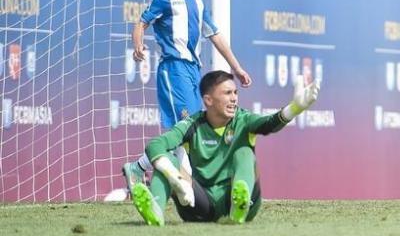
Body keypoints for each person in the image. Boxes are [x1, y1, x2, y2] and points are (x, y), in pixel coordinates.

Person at [122, 0, 253, 193]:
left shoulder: (199, 2)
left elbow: (215, 36)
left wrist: (236, 68)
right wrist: (138, 45)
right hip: (174, 70)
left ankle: (141, 169)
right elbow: (141, 23)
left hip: (194, 71)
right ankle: (186, 187)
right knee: (188, 129)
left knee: (193, 130)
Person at [130, 71, 321, 226]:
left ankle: (240, 203)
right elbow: (157, 144)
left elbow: (269, 123)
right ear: (208, 100)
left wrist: (294, 108)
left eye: (235, 93)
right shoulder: (192, 124)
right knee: (167, 161)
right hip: (200, 206)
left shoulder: (243, 119)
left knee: (244, 153)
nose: (234, 99)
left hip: (239, 202)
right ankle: (154, 210)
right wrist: (172, 174)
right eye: (227, 93)